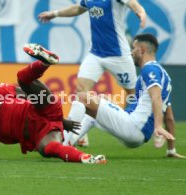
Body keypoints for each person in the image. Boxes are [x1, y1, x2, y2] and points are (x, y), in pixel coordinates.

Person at [0, 44, 106, 164]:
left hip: (41, 108)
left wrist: (61, 120)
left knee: (22, 78)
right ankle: (85, 159)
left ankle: (44, 62)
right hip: (38, 133)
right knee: (47, 149)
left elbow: (25, 92)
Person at [39, 0, 147, 146]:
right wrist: (54, 14)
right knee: (81, 92)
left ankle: (141, 126)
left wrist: (140, 11)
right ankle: (74, 136)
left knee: (133, 94)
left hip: (119, 55)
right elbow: (77, 9)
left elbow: (132, 2)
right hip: (95, 55)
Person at [69, 33, 185, 158]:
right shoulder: (165, 76)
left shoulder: (149, 70)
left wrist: (158, 126)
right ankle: (70, 142)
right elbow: (169, 117)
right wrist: (171, 150)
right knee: (99, 102)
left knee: (82, 97)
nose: (131, 53)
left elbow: (155, 97)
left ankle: (64, 142)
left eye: (133, 48)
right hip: (136, 132)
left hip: (133, 127)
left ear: (141, 50)